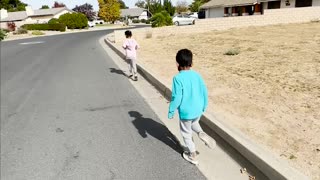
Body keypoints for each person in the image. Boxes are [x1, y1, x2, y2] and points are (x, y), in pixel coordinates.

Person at [168, 49, 216, 165]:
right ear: (191, 63)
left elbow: (177, 97)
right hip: (198, 109)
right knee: (194, 123)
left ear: (177, 64)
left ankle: (193, 155)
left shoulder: (177, 78)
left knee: (186, 133)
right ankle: (201, 133)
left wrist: (171, 110)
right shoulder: (197, 75)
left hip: (186, 112)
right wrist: (204, 105)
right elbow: (204, 91)